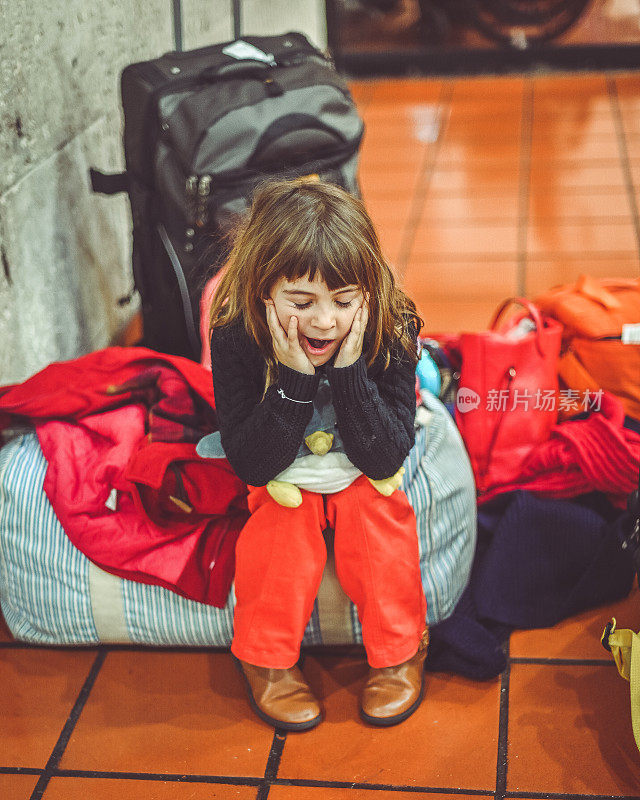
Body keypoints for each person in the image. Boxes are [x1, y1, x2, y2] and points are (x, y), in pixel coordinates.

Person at [199, 177, 429, 731]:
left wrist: (348, 373)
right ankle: (266, 660)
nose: (325, 321)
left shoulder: (392, 326)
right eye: (302, 303)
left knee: (377, 518)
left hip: (364, 462)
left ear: (368, 295)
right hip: (282, 470)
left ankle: (399, 650)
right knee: (280, 528)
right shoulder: (235, 335)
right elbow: (254, 462)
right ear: (264, 294)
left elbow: (386, 455)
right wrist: (295, 379)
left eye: (343, 302)